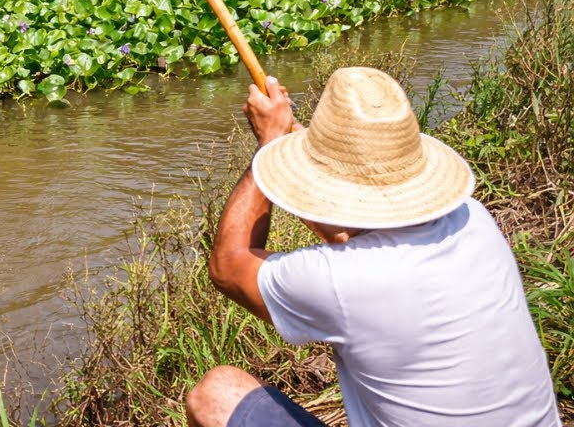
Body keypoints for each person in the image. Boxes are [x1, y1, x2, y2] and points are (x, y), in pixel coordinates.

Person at [186, 67, 561, 427]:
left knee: (216, 394)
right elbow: (352, 235)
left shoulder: (343, 280)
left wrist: (270, 144)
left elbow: (228, 266)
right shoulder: (473, 218)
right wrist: (302, 149)